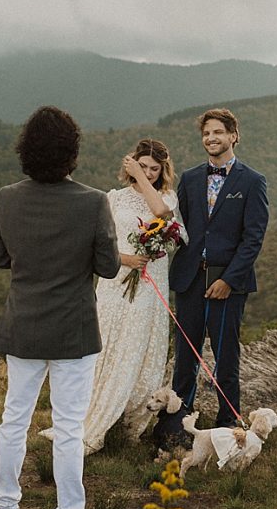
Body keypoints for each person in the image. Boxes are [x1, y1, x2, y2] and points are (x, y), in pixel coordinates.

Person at [0, 106, 120, 509]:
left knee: (13, 420)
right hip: (73, 331)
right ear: (71, 152)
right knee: (68, 429)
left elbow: (2, 257)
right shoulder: (93, 201)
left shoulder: (8, 197)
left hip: (23, 325)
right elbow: (107, 265)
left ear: (26, 151)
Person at [48, 140, 186, 451]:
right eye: (143, 166)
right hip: (116, 280)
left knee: (137, 346)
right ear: (130, 166)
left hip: (150, 284)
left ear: (163, 171)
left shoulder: (166, 197)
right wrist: (125, 259)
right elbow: (96, 241)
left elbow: (162, 214)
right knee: (107, 345)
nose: (148, 173)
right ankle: (92, 417)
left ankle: (127, 422)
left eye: (154, 169)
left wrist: (139, 175)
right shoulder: (114, 199)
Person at [154, 108, 269, 447]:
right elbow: (183, 229)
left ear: (234, 135)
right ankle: (177, 422)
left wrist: (229, 280)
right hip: (190, 280)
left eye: (218, 132)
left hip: (228, 284)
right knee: (186, 355)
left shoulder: (252, 181)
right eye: (206, 133)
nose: (211, 138)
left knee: (225, 355)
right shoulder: (189, 179)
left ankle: (229, 422)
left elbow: (253, 238)